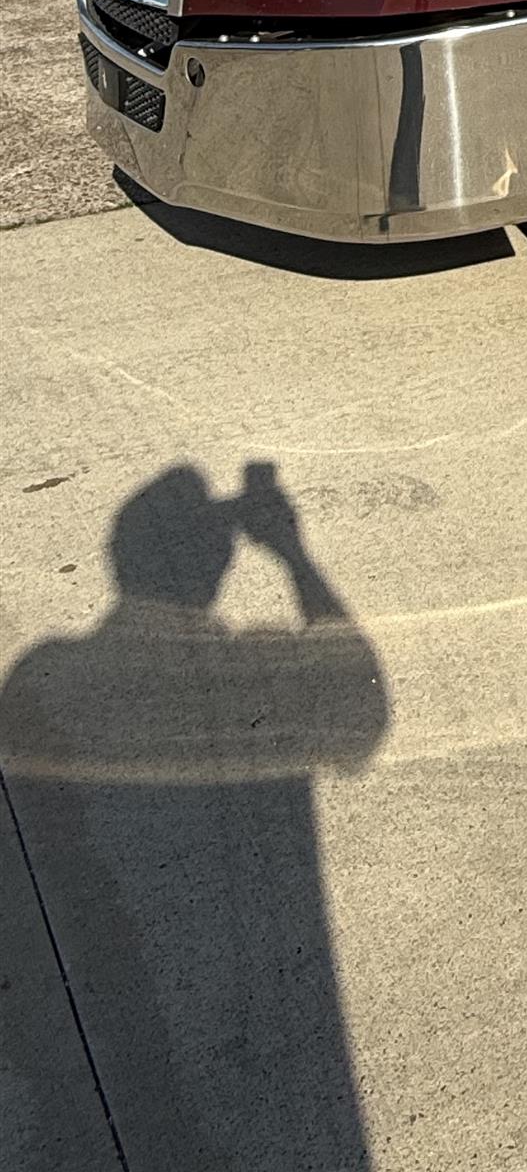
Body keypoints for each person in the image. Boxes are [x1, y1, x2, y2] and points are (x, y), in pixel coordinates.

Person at [0, 463, 389, 1169]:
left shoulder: (41, 676)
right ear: (217, 567)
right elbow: (361, 707)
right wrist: (294, 552)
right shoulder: (258, 668)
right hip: (245, 1057)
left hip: (79, 1042)